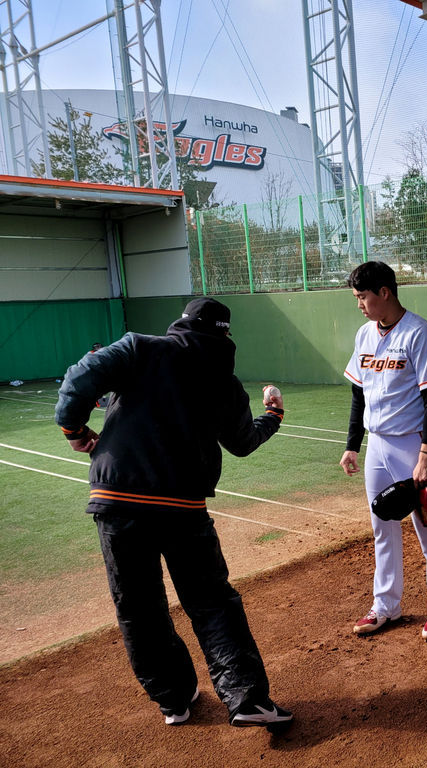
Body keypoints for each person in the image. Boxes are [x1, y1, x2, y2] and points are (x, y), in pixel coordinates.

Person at [54, 297, 293, 729]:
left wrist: (74, 429)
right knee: (211, 603)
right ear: (224, 335)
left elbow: (80, 377)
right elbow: (242, 442)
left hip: (117, 500)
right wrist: (273, 414)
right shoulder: (224, 379)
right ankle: (246, 699)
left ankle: (174, 701)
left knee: (138, 609)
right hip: (182, 507)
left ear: (181, 323)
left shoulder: (140, 348)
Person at [339, 261, 427, 640]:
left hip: (411, 444)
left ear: (384, 293)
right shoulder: (364, 335)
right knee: (382, 526)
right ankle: (386, 605)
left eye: (362, 296)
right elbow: (358, 394)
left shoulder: (419, 334)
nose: (359, 303)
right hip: (377, 444)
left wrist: (426, 455)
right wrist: (352, 446)